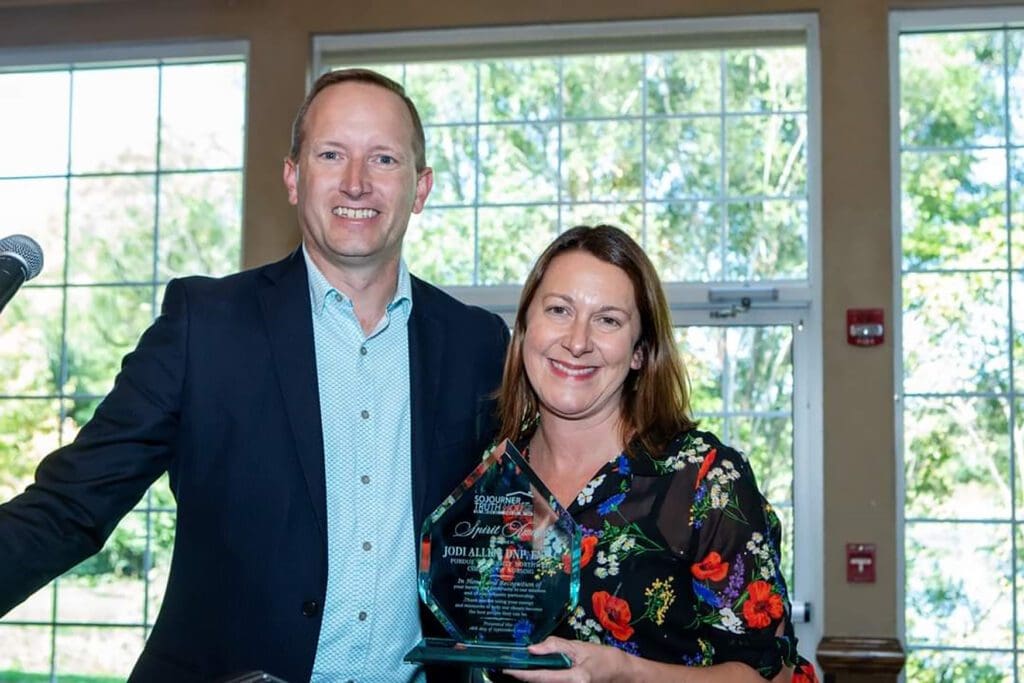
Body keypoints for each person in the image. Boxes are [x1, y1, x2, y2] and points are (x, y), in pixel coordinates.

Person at [0, 69, 509, 682]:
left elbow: (515, 533)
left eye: (383, 158)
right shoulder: (204, 326)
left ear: (420, 187)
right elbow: (69, 506)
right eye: (330, 154)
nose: (356, 181)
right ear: (293, 177)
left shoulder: (477, 344)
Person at [488, 225, 817, 682]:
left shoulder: (704, 479)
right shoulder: (494, 475)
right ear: (524, 328)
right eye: (559, 310)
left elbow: (770, 675)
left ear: (640, 351)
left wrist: (626, 673)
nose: (578, 341)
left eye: (608, 320)